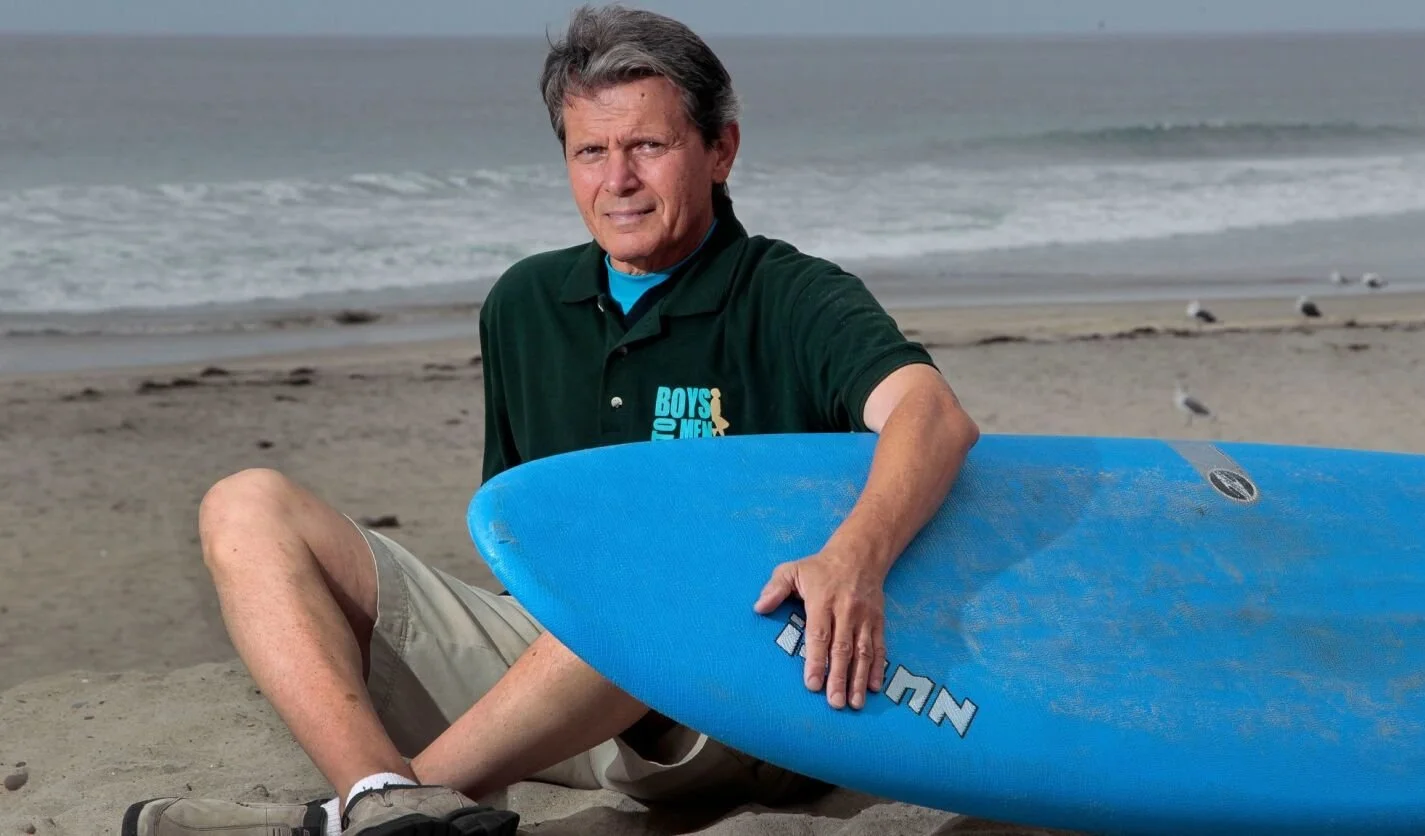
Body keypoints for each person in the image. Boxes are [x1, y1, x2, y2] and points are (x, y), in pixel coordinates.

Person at [122, 6, 980, 836]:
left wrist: (852, 559)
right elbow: (518, 533)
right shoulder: (524, 303)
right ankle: (379, 793)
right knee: (246, 504)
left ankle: (365, 816)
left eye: (648, 146)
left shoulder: (790, 294)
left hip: (725, 692)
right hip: (548, 682)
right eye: (590, 151)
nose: (618, 181)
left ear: (721, 150)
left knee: (655, 557)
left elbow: (931, 413)